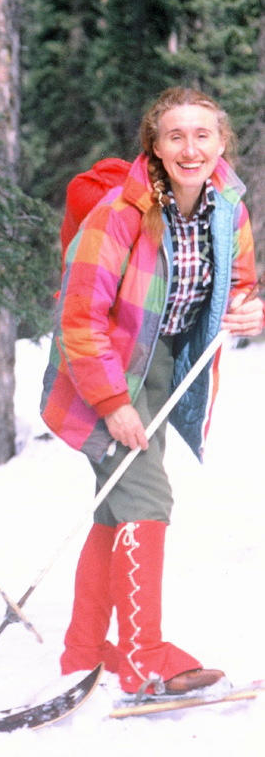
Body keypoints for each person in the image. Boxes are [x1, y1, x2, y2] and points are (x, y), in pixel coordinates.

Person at [40, 87, 263, 698]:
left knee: (118, 502)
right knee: (146, 496)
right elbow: (79, 319)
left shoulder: (228, 207)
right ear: (155, 147)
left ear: (221, 142)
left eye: (202, 136)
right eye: (175, 137)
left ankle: (83, 649)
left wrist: (248, 310)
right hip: (103, 367)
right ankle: (144, 657)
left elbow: (239, 282)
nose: (190, 149)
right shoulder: (121, 210)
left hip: (163, 364)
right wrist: (112, 405)